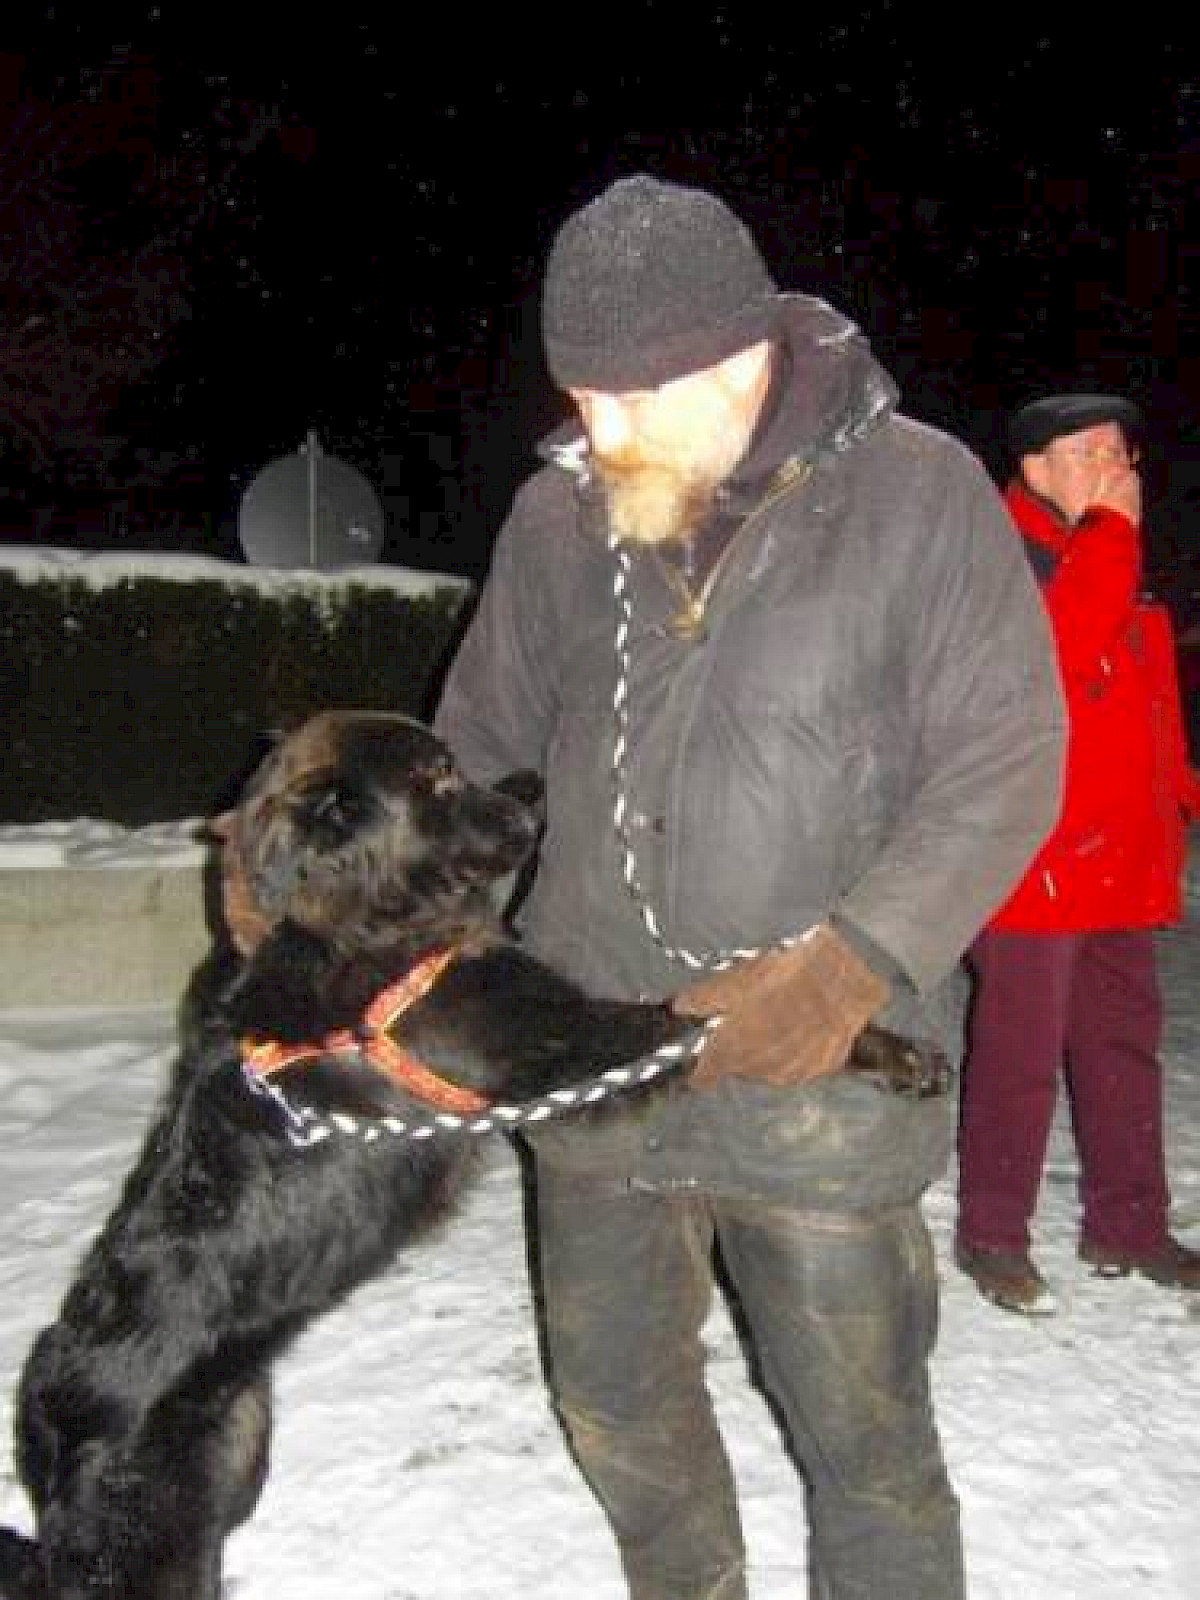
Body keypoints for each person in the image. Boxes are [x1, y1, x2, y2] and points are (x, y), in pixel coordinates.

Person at [429, 175, 1066, 1600]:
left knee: (869, 1452)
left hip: (824, 1076)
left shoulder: (918, 494)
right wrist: (405, 931)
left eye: (628, 401)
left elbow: (1009, 754)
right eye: (579, 398)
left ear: (737, 362)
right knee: (616, 1407)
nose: (598, 435)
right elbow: (482, 757)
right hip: (598, 1060)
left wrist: (849, 966)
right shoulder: (558, 519)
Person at [956, 394, 1200, 1316]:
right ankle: (992, 1234)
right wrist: (1109, 534)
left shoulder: (1104, 549)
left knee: (1122, 1045)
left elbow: (1140, 700)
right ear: (1034, 470)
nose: (1113, 467)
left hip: (1116, 851)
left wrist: (1176, 797)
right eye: (1087, 451)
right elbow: (1057, 661)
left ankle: (1128, 1225)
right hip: (1034, 853)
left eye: (1120, 452)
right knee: (1018, 1052)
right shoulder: (1002, 554)